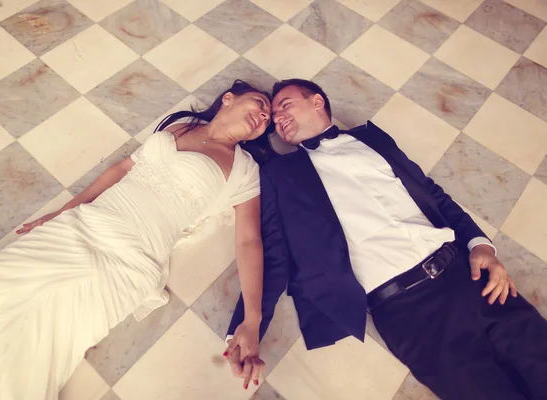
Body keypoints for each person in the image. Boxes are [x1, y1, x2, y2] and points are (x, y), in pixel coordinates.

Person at [0, 80, 270, 400]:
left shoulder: (244, 169)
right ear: (228, 98)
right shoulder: (182, 128)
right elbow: (122, 169)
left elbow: (248, 242)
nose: (264, 116)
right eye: (260, 103)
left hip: (133, 258)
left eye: (267, 118)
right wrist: (62, 211)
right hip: (86, 223)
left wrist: (251, 320)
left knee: (48, 336)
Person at [225, 79, 547, 398]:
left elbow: (433, 194)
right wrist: (249, 326)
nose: (278, 117)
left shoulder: (372, 138)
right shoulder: (280, 176)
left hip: (471, 276)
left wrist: (481, 245)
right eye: (274, 118)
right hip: (411, 315)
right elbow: (273, 256)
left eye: (285, 105)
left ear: (317, 102)